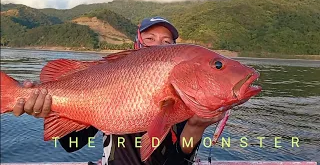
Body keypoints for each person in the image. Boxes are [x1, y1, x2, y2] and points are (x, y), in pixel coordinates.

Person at [13, 16, 226, 165]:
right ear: (136, 45)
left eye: (166, 42)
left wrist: (195, 128)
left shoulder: (183, 97)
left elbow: (178, 161)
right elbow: (71, 145)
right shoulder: (112, 75)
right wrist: (49, 109)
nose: (157, 46)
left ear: (174, 53)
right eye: (149, 39)